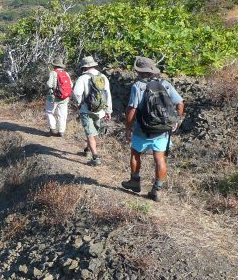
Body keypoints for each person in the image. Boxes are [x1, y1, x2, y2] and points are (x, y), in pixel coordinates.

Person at [121, 57, 184, 202]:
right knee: (160, 158)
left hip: (143, 128)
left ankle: (135, 181)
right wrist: (177, 121)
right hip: (162, 129)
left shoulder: (138, 86)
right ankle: (156, 190)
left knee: (135, 153)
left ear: (138, 71)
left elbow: (132, 109)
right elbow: (180, 103)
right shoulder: (165, 84)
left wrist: (128, 128)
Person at [72, 56, 112, 166]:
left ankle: (96, 157)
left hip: (86, 109)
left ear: (84, 67)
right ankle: (87, 150)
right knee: (93, 131)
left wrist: (79, 103)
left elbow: (76, 93)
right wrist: (108, 110)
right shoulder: (103, 76)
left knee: (90, 133)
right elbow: (108, 94)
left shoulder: (82, 78)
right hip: (100, 110)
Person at [45, 58, 73, 137]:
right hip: (65, 97)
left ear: (54, 65)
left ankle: (52, 129)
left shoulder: (53, 73)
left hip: (54, 96)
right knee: (62, 114)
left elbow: (49, 85)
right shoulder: (66, 73)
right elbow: (71, 85)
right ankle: (61, 131)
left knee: (49, 112)